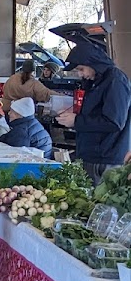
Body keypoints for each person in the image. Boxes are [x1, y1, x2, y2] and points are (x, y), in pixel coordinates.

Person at [56, 39, 131, 181]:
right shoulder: (96, 81)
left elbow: (114, 122)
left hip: (105, 160)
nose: (80, 74)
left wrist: (76, 121)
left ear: (93, 63)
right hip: (93, 155)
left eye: (81, 69)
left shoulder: (116, 81)